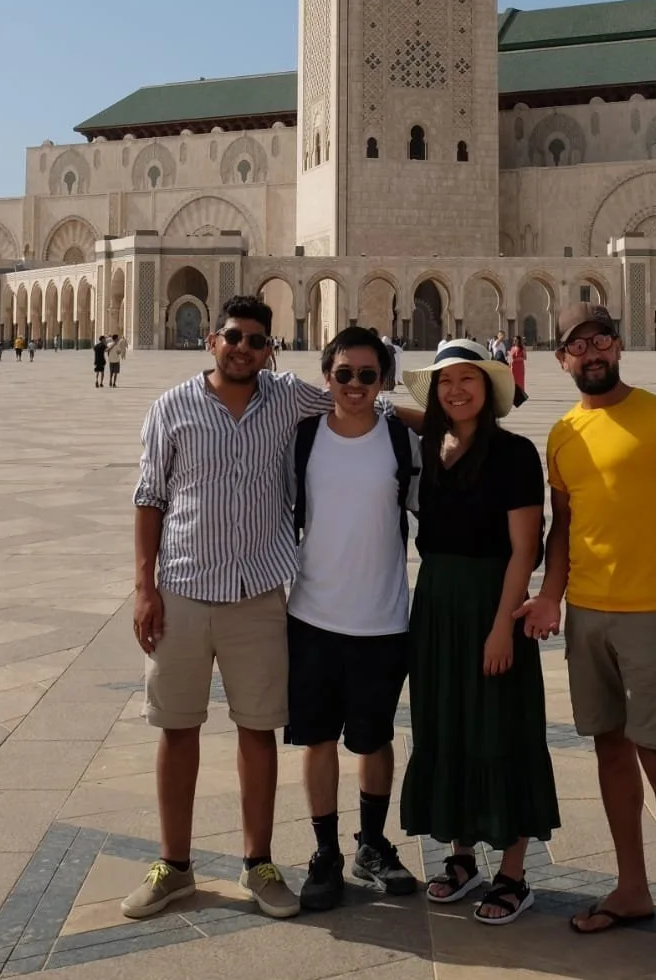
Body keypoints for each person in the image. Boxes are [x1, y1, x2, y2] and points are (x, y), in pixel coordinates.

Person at [518, 305, 656, 977]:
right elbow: (562, 527)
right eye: (576, 345)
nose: (590, 352)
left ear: (618, 346)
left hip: (651, 615)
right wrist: (550, 595)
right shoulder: (561, 433)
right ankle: (632, 886)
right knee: (610, 751)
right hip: (586, 615)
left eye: (600, 339)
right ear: (561, 360)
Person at [121, 297, 346, 924]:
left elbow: (356, 401)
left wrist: (450, 417)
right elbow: (149, 498)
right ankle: (175, 866)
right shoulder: (171, 407)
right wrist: (145, 587)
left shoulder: (285, 397)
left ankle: (260, 863)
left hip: (258, 595)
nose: (243, 347)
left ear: (269, 348)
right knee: (178, 726)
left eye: (255, 340)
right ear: (211, 341)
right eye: (233, 337)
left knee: (257, 728)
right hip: (185, 590)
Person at [400, 339, 558, 924]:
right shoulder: (430, 446)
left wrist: (501, 629)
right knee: (446, 721)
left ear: (490, 389)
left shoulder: (514, 453)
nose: (457, 390)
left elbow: (525, 550)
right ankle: (461, 857)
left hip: (493, 601)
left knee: (503, 725)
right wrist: (361, 394)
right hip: (437, 602)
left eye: (468, 379)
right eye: (445, 381)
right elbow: (391, 412)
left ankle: (514, 873)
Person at [289, 327, 419, 911]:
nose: (356, 385)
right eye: (344, 374)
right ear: (327, 377)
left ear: (383, 380)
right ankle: (325, 852)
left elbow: (451, 475)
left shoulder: (399, 438)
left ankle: (371, 843)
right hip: (312, 615)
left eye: (368, 375)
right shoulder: (304, 436)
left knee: (374, 740)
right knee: (316, 740)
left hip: (383, 618)